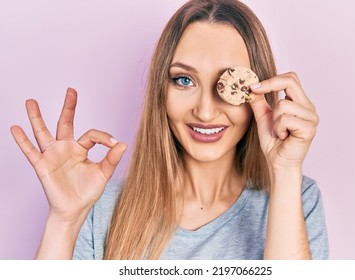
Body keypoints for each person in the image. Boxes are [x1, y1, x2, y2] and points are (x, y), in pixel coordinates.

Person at [10, 0, 328, 260]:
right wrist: (64, 221)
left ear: (257, 90)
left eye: (229, 80)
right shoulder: (99, 207)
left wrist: (285, 172)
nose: (205, 111)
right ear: (161, 90)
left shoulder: (297, 197)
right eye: (184, 80)